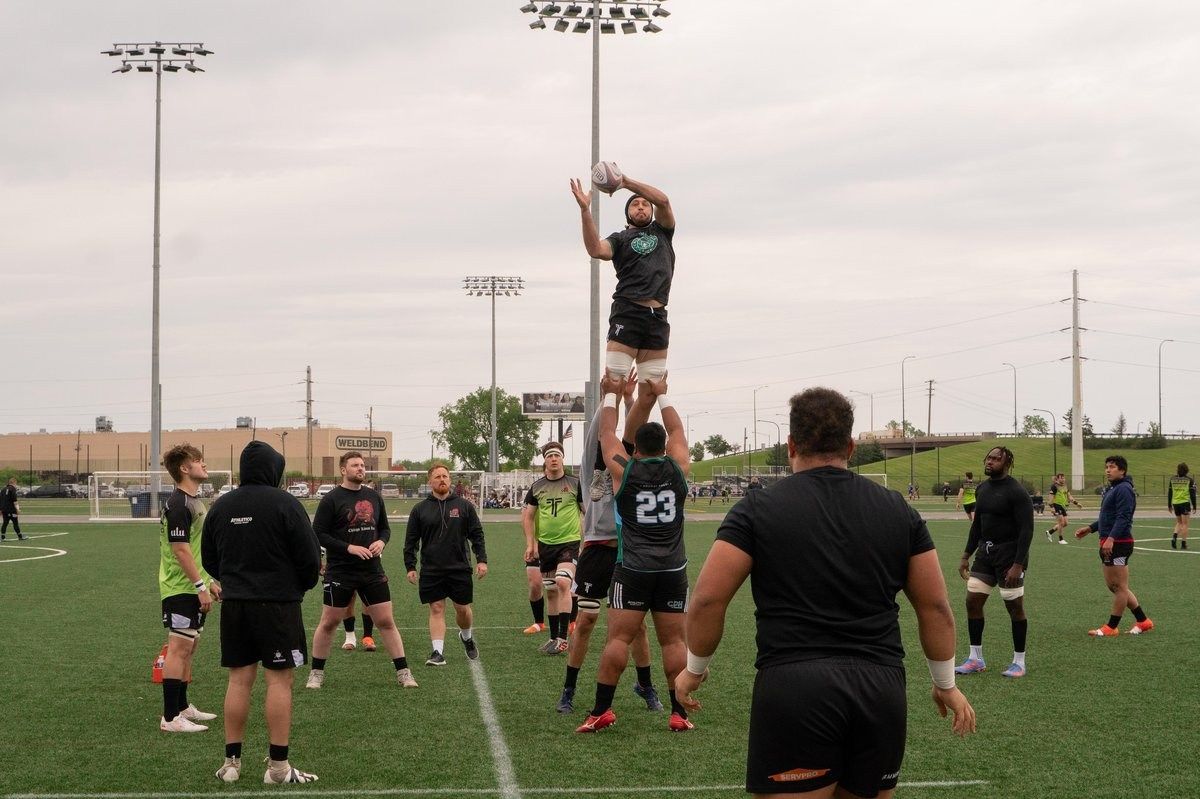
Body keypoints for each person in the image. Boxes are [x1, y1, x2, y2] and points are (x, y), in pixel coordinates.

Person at [676, 388, 975, 798]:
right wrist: (945, 682)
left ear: (791, 445)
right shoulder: (897, 510)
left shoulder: (757, 509)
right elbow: (936, 606)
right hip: (880, 688)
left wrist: (694, 668)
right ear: (850, 446)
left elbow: (709, 598)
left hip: (796, 687)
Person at [576, 373, 693, 734]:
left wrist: (611, 396)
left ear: (636, 449)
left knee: (618, 641)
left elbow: (606, 435)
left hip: (633, 568)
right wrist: (661, 396)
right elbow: (678, 433)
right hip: (673, 569)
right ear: (664, 447)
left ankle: (600, 711)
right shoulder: (678, 468)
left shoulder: (623, 470)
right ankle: (678, 714)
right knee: (673, 642)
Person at [201, 440, 322, 784]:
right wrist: (300, 584)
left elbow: (210, 558)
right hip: (278, 606)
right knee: (279, 680)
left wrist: (232, 580)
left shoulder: (221, 507)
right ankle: (279, 769)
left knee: (239, 680)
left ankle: (231, 764)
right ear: (274, 469)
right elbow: (310, 557)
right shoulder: (286, 503)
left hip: (236, 605)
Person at [570, 173, 675, 501]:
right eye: (635, 205)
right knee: (613, 387)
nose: (642, 206)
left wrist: (626, 182)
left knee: (648, 395)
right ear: (628, 214)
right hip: (627, 313)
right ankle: (603, 467)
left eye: (645, 204)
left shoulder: (664, 231)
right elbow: (595, 249)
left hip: (658, 319)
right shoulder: (621, 239)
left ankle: (624, 454)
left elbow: (665, 200)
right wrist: (586, 211)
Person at [558, 387, 662, 715]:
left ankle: (645, 685)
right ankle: (569, 689)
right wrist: (609, 397)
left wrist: (632, 399)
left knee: (636, 626)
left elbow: (639, 427)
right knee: (587, 619)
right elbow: (597, 431)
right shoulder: (592, 467)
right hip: (596, 548)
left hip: (628, 550)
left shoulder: (628, 464)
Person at [305, 452, 417, 689]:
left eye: (363, 465)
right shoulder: (331, 499)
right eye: (355, 465)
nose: (361, 468)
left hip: (372, 570)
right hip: (340, 571)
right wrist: (349, 548)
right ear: (343, 470)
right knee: (329, 622)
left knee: (386, 620)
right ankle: (316, 672)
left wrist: (382, 542)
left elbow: (385, 528)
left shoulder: (374, 497)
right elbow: (318, 534)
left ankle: (404, 672)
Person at [155, 443, 221, 733]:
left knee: (190, 645)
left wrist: (209, 582)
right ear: (185, 468)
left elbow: (195, 549)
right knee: (179, 648)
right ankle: (170, 718)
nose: (204, 465)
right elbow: (180, 550)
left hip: (194, 586)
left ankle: (182, 707)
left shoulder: (195, 501)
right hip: (180, 588)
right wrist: (199, 586)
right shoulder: (179, 505)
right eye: (199, 461)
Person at [954, 447, 1034, 679]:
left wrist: (1018, 564)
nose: (989, 462)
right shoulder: (982, 488)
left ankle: (1019, 661)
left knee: (1014, 607)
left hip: (1010, 556)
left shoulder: (1017, 492)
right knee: (972, 601)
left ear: (1007, 462)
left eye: (995, 459)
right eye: (988, 458)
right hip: (985, 554)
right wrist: (965, 555)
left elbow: (1027, 531)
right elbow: (977, 526)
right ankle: (975, 659)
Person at [404, 463, 487, 666]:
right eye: (438, 476)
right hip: (432, 569)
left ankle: (466, 637)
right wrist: (411, 566)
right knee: (436, 608)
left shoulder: (464, 506)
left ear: (450, 480)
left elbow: (477, 535)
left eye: (445, 476)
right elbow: (411, 540)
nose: (442, 479)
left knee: (462, 609)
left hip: (459, 568)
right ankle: (437, 652)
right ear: (430, 481)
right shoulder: (420, 509)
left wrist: (482, 560)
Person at [1075, 456, 1154, 636]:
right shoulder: (1114, 488)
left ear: (1122, 470)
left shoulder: (1124, 489)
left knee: (1119, 587)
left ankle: (1111, 627)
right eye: (1106, 467)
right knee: (1115, 586)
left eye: (1112, 467)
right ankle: (1143, 621)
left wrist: (1111, 538)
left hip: (1119, 543)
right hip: (1110, 541)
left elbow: (1123, 517)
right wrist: (1090, 528)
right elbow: (1107, 517)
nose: (1107, 470)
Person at [523, 442, 584, 655]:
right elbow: (528, 516)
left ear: (563, 459)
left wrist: (587, 542)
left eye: (557, 455)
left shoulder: (575, 484)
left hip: (569, 543)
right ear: (545, 461)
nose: (554, 459)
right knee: (550, 592)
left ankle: (563, 639)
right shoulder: (537, 487)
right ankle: (552, 638)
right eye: (550, 456)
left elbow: (586, 512)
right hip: (546, 546)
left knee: (563, 583)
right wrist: (531, 544)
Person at [1043, 473, 1081, 544]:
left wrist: (1076, 503)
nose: (1063, 479)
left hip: (1062, 506)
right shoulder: (1054, 486)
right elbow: (1050, 497)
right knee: (1061, 522)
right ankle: (1061, 539)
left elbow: (1069, 496)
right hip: (1056, 505)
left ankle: (1050, 532)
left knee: (1065, 523)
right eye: (1061, 478)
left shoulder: (1065, 486)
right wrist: (1052, 507)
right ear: (1058, 479)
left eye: (1064, 478)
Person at [1168, 462, 1196, 550]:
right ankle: (1183, 544)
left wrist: (1169, 505)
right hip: (1185, 503)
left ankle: (1174, 537)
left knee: (1179, 522)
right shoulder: (1189, 480)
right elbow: (1192, 494)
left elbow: (1170, 493)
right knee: (1185, 524)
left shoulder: (1172, 479)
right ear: (1186, 470)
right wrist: (1195, 505)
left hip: (1175, 503)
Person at [0, 477, 26, 541]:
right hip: (11, 510)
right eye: (16, 483)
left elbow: (0, 500)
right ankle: (20, 536)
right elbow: (15, 501)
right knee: (15, 523)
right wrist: (18, 509)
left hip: (4, 510)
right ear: (14, 483)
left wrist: (0, 509)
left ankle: (2, 537)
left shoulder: (3, 489)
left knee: (5, 523)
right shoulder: (13, 489)